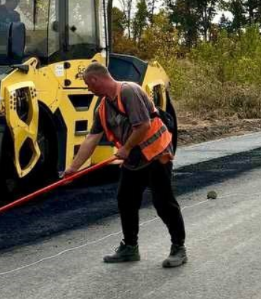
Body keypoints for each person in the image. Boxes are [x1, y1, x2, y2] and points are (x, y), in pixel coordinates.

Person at [64, 62, 187, 268]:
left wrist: (126, 148)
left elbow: (144, 125)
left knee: (163, 202)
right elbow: (91, 139)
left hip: (156, 154)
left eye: (87, 84)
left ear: (95, 80)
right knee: (125, 199)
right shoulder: (103, 108)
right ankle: (130, 247)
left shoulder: (129, 91)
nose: (87, 88)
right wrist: (74, 169)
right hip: (135, 159)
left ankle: (179, 248)